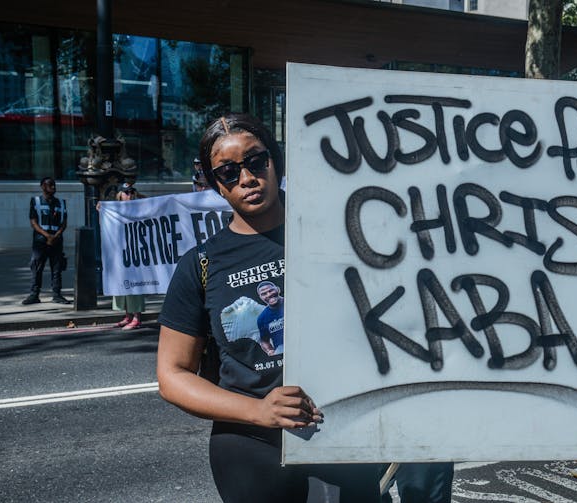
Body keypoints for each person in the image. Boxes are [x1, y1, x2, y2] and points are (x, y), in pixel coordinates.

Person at [157, 114, 380, 502]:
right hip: (250, 443)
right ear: (216, 187)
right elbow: (172, 375)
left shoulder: (338, 235)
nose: (247, 178)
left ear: (276, 162)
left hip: (344, 428)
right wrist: (259, 411)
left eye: (257, 161)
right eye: (228, 172)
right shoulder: (201, 264)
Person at [22, 177, 71, 305]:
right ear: (43, 187)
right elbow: (33, 222)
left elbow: (64, 223)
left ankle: (57, 294)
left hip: (57, 240)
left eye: (54, 185)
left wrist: (56, 236)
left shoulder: (61, 202)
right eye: (50, 185)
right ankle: (34, 294)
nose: (53, 188)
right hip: (40, 241)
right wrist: (47, 236)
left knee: (57, 268)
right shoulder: (36, 201)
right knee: (37, 267)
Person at [113, 181, 147, 330]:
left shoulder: (139, 206)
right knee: (122, 284)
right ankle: (127, 315)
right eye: (126, 192)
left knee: (135, 284)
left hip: (135, 251)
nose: (129, 195)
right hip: (120, 251)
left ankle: (137, 317)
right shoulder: (114, 209)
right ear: (119, 195)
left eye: (131, 192)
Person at [256, 280, 284, 355]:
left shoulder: (294, 302)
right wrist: (269, 350)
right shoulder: (262, 318)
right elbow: (264, 340)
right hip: (283, 351)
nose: (268, 295)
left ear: (277, 289)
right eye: (264, 294)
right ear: (260, 297)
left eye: (271, 290)